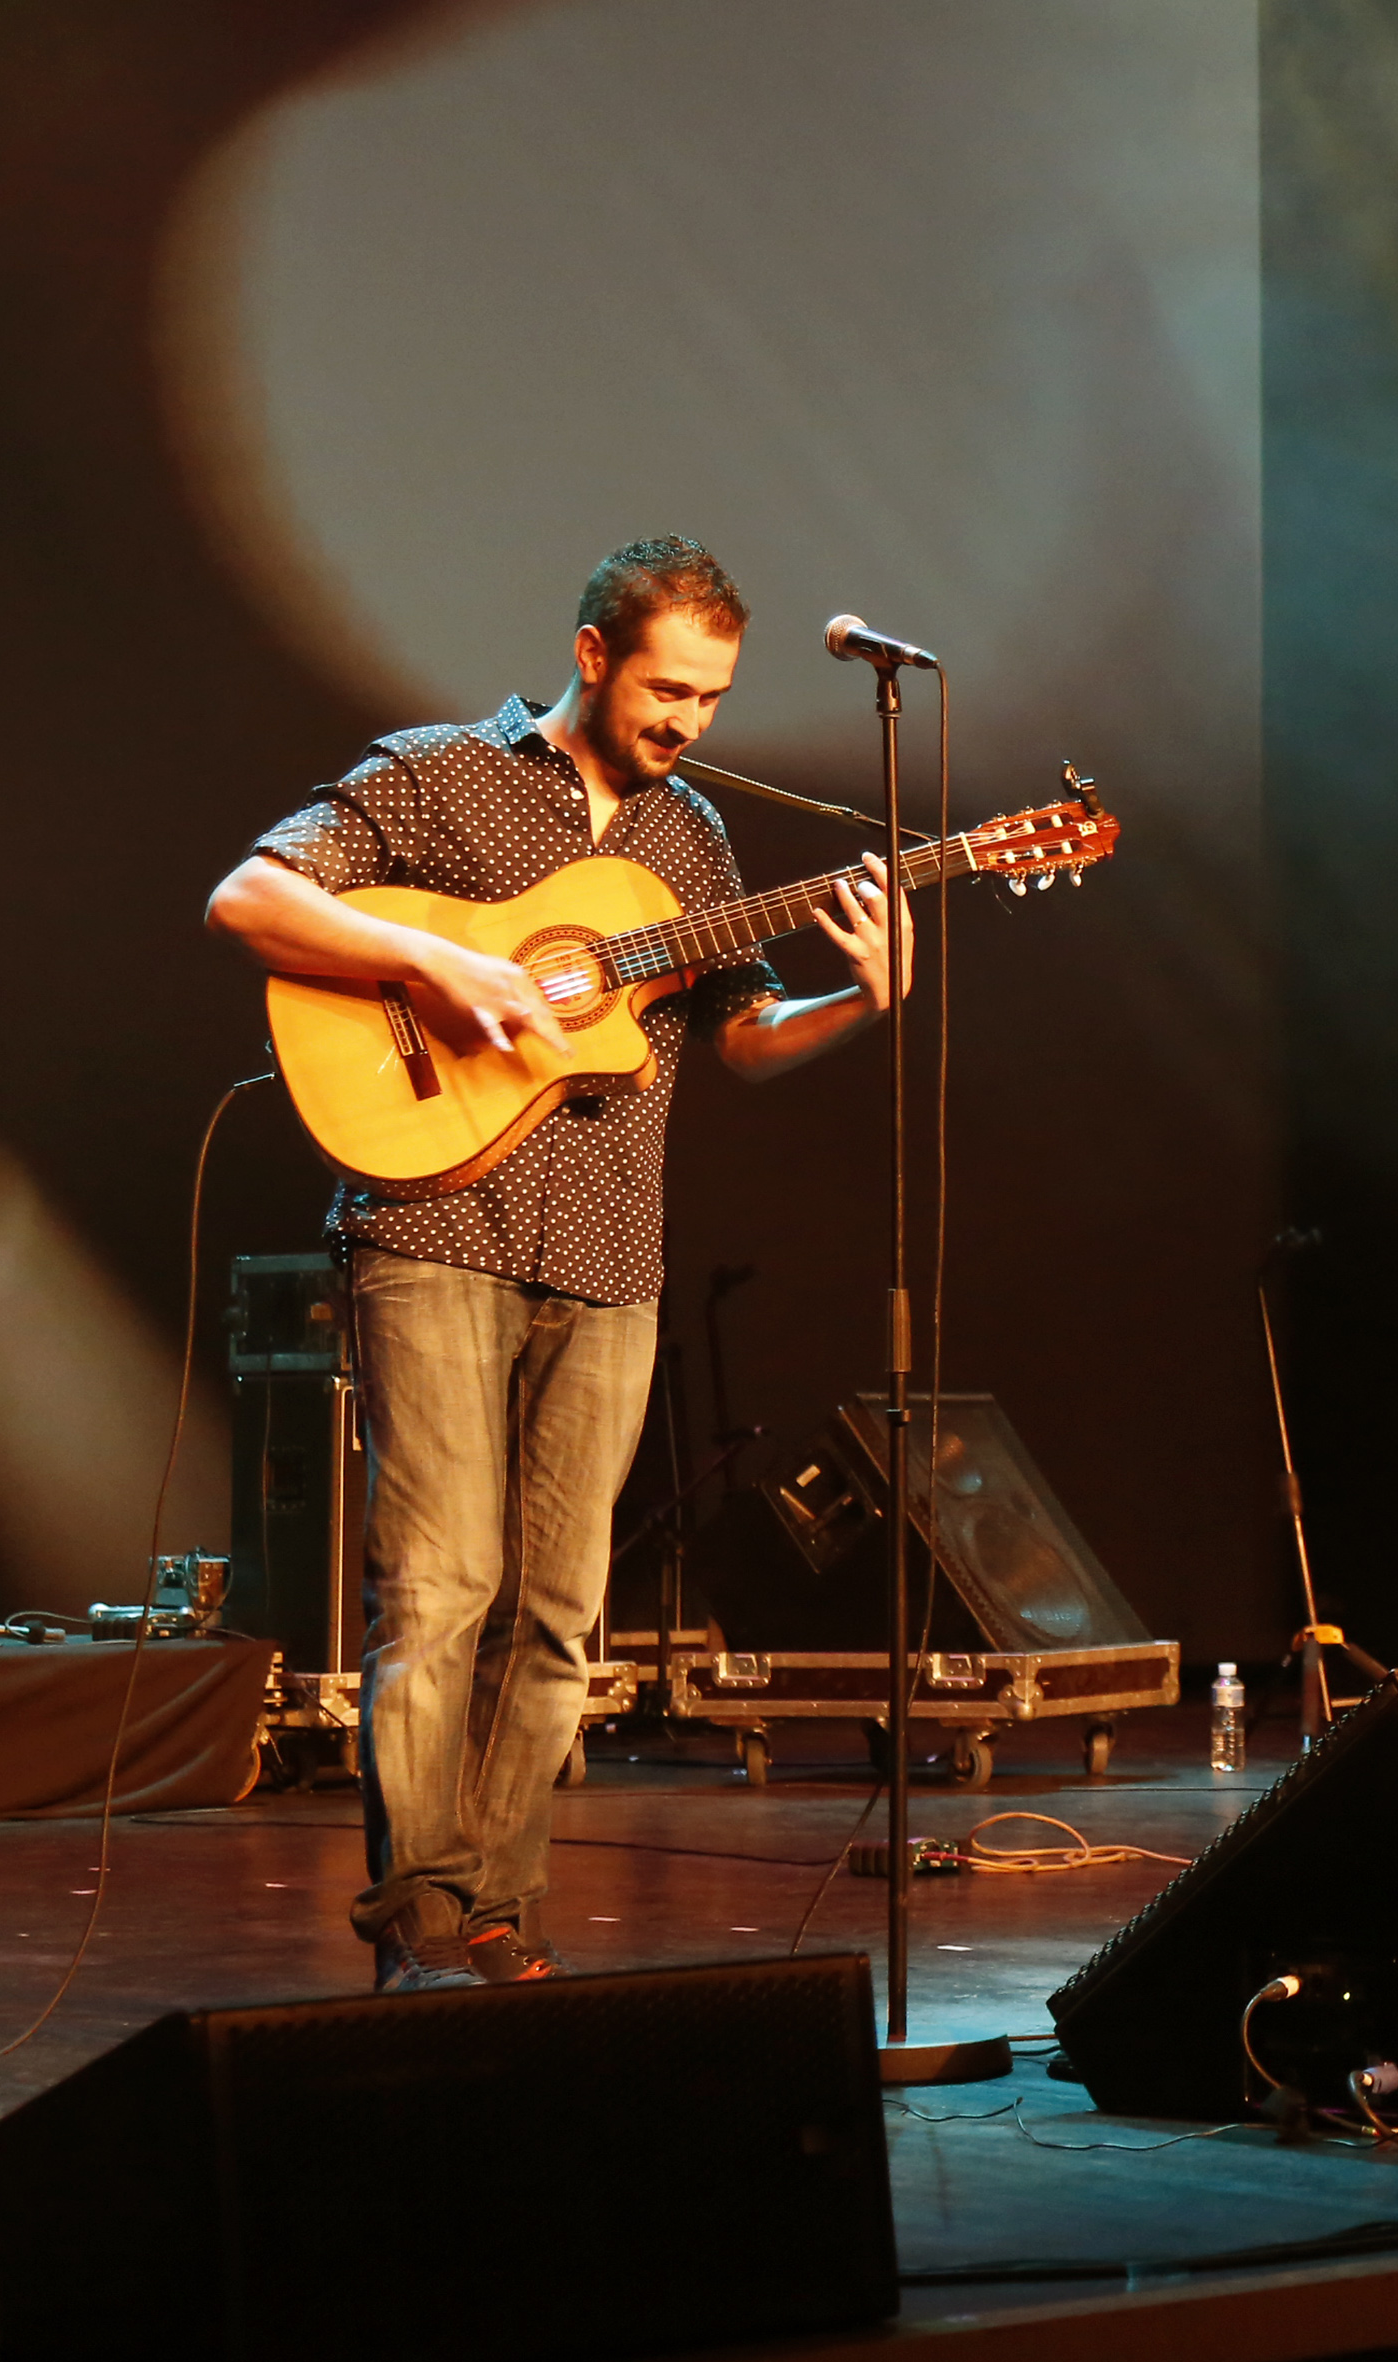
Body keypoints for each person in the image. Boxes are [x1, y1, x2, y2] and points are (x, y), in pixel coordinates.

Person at [205, 536, 910, 1991]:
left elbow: (744, 1035)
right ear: (593, 654)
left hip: (608, 1250)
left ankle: (501, 1913)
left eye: (711, 698)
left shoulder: (691, 840)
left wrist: (862, 998)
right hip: (433, 1226)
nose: (687, 721)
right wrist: (440, 964)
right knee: (438, 1588)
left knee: (554, 1612)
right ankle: (419, 1923)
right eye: (667, 689)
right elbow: (250, 898)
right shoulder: (438, 771)